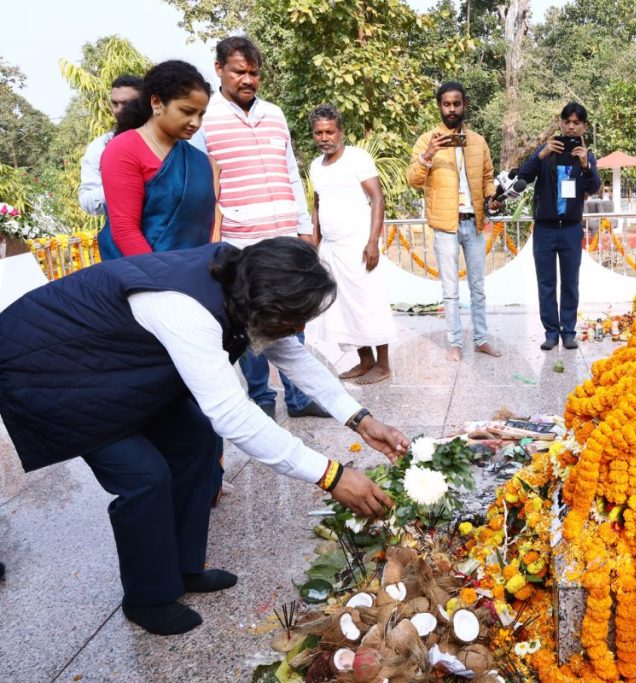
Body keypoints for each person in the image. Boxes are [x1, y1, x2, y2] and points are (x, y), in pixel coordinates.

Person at [0, 238, 409, 636]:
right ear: (262, 303)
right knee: (143, 477)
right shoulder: (184, 308)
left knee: (196, 440)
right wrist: (332, 476)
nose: (299, 328)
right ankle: (147, 598)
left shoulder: (247, 283)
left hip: (118, 364)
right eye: (293, 319)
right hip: (57, 369)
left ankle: (182, 567)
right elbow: (233, 415)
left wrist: (361, 419)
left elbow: (292, 354)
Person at [191, 36, 326, 420]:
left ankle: (298, 400)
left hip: (284, 235)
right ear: (219, 70)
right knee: (250, 323)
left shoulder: (274, 114)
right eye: (239, 71)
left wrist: (304, 228)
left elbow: (291, 175)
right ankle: (261, 399)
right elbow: (204, 186)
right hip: (240, 241)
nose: (248, 79)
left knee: (292, 316)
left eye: (254, 73)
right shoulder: (205, 118)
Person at [408, 81, 502, 362]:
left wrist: (492, 198)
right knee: (450, 289)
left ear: (465, 105)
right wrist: (428, 155)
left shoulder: (478, 141)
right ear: (440, 106)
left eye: (456, 104)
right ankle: (454, 343)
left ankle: (481, 339)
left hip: (473, 223)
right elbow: (413, 180)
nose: (451, 109)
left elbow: (487, 178)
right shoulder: (427, 140)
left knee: (478, 285)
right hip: (445, 226)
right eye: (446, 104)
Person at [306, 105, 396, 384]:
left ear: (341, 132)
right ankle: (364, 360)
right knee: (342, 306)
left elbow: (377, 198)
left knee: (368, 303)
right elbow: (318, 207)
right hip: (332, 249)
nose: (324, 137)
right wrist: (314, 246)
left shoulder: (358, 158)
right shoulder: (315, 166)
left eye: (329, 131)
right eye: (318, 132)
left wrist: (372, 242)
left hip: (359, 245)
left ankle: (383, 364)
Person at [98, 61, 217, 260]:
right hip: (141, 276)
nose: (195, 122)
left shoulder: (200, 161)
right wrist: (162, 281)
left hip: (193, 271)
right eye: (187, 111)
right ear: (156, 103)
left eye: (201, 114)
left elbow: (204, 226)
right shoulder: (124, 150)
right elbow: (125, 230)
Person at [517, 102, 601, 350]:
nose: (572, 126)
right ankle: (551, 332)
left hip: (571, 229)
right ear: (561, 124)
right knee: (546, 282)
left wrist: (586, 166)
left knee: (570, 282)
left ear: (583, 126)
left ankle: (569, 332)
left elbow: (593, 187)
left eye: (577, 123)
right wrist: (540, 155)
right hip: (544, 229)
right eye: (567, 122)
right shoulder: (546, 152)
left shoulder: (587, 156)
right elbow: (523, 176)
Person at [78, 75, 143, 216]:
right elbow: (86, 200)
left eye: (126, 104)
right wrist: (122, 188)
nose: (119, 110)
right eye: (115, 104)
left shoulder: (164, 140)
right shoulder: (100, 146)